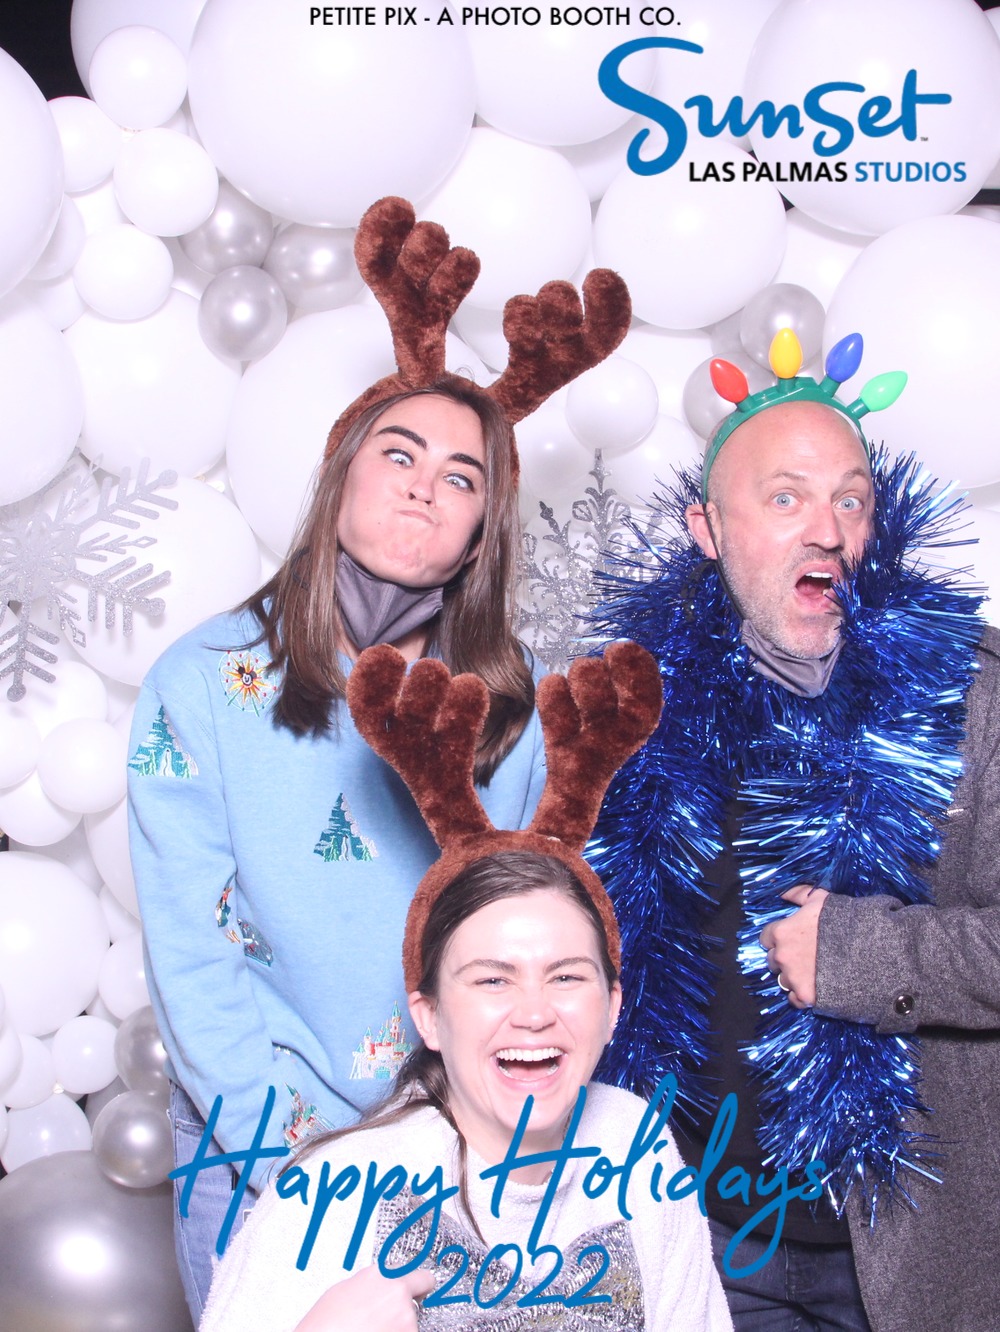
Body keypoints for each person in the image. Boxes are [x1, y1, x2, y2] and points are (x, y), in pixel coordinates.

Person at [126, 196, 632, 1321]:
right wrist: (292, 1164)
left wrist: (480, 1141)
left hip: (460, 1152)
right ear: (341, 473)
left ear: (480, 531)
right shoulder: (198, 683)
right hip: (261, 1159)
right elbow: (191, 954)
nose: (422, 484)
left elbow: (522, 939)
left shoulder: (513, 705)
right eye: (399, 453)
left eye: (461, 477)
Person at [588, 329, 1000, 1332]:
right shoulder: (632, 707)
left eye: (850, 501)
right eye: (784, 499)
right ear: (708, 528)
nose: (826, 530)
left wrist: (863, 954)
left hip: (909, 1248)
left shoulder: (972, 693)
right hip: (701, 1235)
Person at [199, 643, 733, 1330]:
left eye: (567, 976)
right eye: (492, 979)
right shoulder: (328, 1196)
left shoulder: (634, 1143)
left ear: (612, 1007)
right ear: (427, 1015)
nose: (534, 1013)